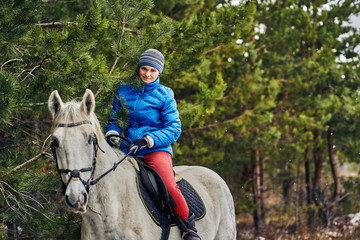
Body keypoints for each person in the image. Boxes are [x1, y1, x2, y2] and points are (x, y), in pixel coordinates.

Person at [106, 49, 200, 240]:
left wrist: (149, 140)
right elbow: (115, 120)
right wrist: (113, 133)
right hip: (128, 149)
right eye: (144, 69)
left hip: (155, 150)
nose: (147, 74)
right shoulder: (123, 91)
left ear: (159, 73)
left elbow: (174, 128)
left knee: (169, 185)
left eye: (152, 70)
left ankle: (188, 229)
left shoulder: (165, 95)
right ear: (139, 68)